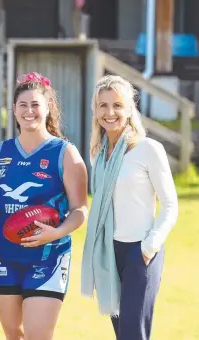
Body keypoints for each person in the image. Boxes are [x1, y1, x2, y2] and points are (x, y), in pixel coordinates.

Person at [0, 72, 89, 339]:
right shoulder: (0, 151)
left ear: (48, 108)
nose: (29, 111)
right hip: (2, 254)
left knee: (37, 335)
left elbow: (80, 209)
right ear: (13, 110)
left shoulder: (65, 152)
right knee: (14, 335)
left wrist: (56, 232)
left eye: (35, 104)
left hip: (48, 257)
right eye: (23, 105)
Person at [81, 75, 179, 340]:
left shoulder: (148, 149)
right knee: (121, 332)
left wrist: (148, 248)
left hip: (141, 253)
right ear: (95, 110)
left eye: (117, 105)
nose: (110, 113)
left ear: (129, 109)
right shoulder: (98, 154)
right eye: (103, 105)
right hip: (110, 253)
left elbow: (170, 205)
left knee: (133, 334)